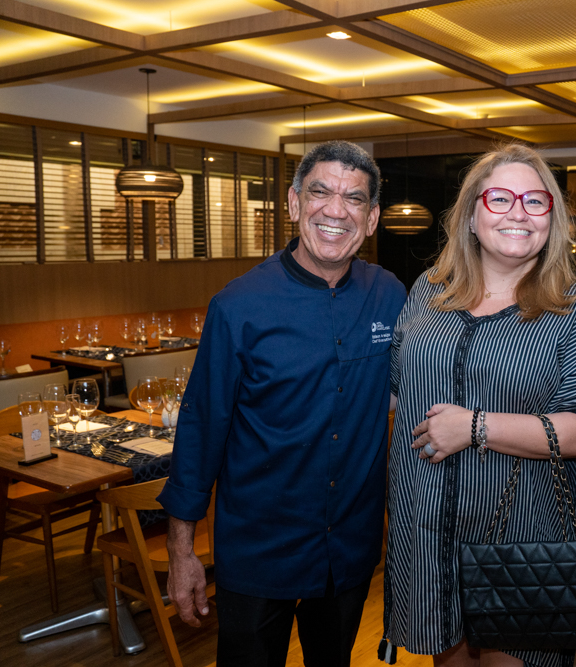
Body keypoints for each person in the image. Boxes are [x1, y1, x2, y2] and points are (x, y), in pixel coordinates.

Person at [157, 140, 406, 666]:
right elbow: (200, 432)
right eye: (320, 192)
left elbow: (410, 391)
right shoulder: (238, 305)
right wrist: (181, 552)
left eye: (354, 199)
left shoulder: (391, 295)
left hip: (349, 546)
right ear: (294, 204)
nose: (335, 210)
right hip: (258, 550)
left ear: (372, 217)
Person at [380, 144, 576, 667]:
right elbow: (395, 393)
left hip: (522, 546)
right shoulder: (428, 292)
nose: (518, 212)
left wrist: (474, 427)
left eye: (536, 201)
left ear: (552, 219)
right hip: (426, 537)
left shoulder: (575, 309)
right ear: (471, 214)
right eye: (501, 198)